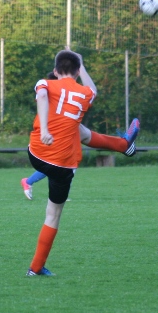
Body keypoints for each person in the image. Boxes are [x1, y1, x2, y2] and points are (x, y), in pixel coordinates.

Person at [26, 50, 96, 276]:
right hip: (62, 164)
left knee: (80, 131)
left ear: (55, 71)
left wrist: (44, 130)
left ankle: (124, 145)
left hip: (37, 153)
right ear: (77, 71)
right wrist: (82, 66)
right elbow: (93, 90)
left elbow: (42, 96)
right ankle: (35, 268)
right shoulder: (85, 92)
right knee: (53, 214)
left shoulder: (45, 83)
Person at [21, 74, 140, 200]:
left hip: (44, 150)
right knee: (63, 161)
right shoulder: (51, 94)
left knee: (78, 139)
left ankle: (122, 145)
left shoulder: (53, 97)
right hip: (46, 148)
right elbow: (90, 91)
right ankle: (31, 183)